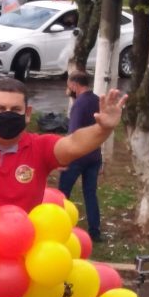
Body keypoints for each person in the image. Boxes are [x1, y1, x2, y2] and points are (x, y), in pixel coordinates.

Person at [0, 77, 127, 212]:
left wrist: (103, 129)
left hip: (21, 255)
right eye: (0, 108)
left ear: (27, 113)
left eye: (15, 109)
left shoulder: (40, 147)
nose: (8, 113)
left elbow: (74, 144)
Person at [57, 72, 103, 242]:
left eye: (68, 84)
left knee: (62, 193)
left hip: (77, 156)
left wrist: (64, 157)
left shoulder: (79, 104)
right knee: (90, 193)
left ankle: (59, 226)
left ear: (75, 85)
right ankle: (95, 230)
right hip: (94, 155)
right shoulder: (97, 100)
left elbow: (73, 133)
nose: (68, 88)